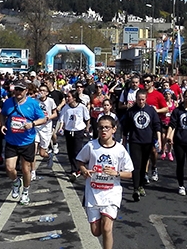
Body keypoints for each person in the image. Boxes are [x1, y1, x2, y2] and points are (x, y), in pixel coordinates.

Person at [76, 116, 134, 249]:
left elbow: (130, 173)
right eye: (101, 127)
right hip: (93, 193)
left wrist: (116, 173)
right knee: (96, 232)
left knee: (107, 228)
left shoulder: (120, 150)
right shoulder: (91, 146)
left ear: (114, 129)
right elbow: (80, 160)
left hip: (111, 193)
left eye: (107, 127)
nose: (103, 130)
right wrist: (84, 171)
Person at [0, 82, 47, 205]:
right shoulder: (9, 102)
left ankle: (25, 192)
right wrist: (3, 124)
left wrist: (32, 124)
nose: (18, 92)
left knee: (26, 169)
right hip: (11, 140)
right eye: (16, 90)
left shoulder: (33, 104)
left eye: (21, 90)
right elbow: (2, 114)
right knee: (9, 168)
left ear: (26, 91)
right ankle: (16, 182)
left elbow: (43, 118)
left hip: (27, 141)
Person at [122, 90, 161, 202]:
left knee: (144, 164)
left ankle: (140, 186)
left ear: (146, 99)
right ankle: (135, 189)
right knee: (136, 165)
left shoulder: (151, 110)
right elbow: (126, 127)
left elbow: (156, 125)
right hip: (135, 141)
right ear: (136, 98)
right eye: (139, 99)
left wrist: (159, 139)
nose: (141, 101)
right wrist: (124, 140)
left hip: (147, 141)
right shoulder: (131, 111)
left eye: (143, 99)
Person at [60, 90, 90, 179]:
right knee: (70, 151)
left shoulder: (81, 107)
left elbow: (87, 118)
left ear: (74, 98)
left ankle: (77, 169)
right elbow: (62, 120)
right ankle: (74, 169)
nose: (67, 99)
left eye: (69, 97)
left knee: (77, 150)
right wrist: (61, 128)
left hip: (78, 130)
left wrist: (87, 128)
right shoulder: (65, 108)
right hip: (68, 131)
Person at [33, 85, 59, 170]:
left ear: (47, 93)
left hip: (46, 128)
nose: (41, 92)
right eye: (40, 90)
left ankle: (48, 156)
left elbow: (55, 114)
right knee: (33, 150)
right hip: (36, 127)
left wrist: (48, 118)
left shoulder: (50, 101)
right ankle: (32, 172)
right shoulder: (35, 100)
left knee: (42, 153)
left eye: (44, 91)